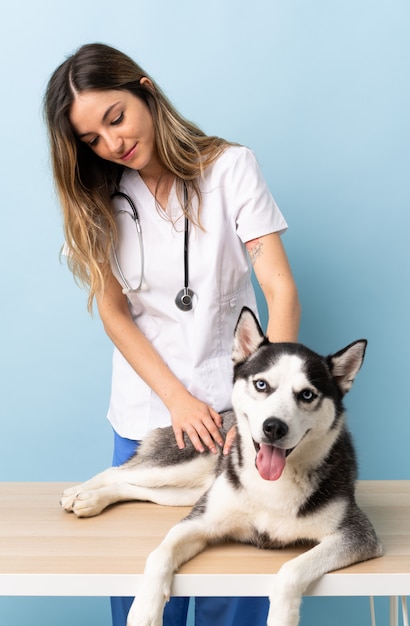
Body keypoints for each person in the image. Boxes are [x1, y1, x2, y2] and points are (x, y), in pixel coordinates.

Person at [44, 42, 301, 626]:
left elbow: (281, 291)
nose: (113, 144)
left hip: (230, 420)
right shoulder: (99, 198)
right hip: (143, 419)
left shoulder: (232, 168)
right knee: (142, 594)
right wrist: (176, 400)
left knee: (229, 594)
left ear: (145, 90)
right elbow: (113, 310)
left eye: (116, 118)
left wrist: (264, 412)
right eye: (92, 140)